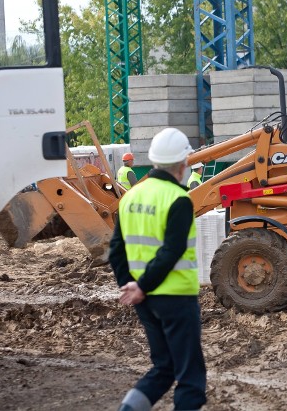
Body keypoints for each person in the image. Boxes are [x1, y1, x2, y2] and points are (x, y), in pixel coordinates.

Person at [109, 127, 206, 411]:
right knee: (191, 378)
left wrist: (131, 286)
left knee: (164, 368)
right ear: (183, 163)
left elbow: (116, 250)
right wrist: (143, 286)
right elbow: (171, 251)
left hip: (144, 300)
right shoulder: (178, 198)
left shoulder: (130, 198)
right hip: (175, 298)